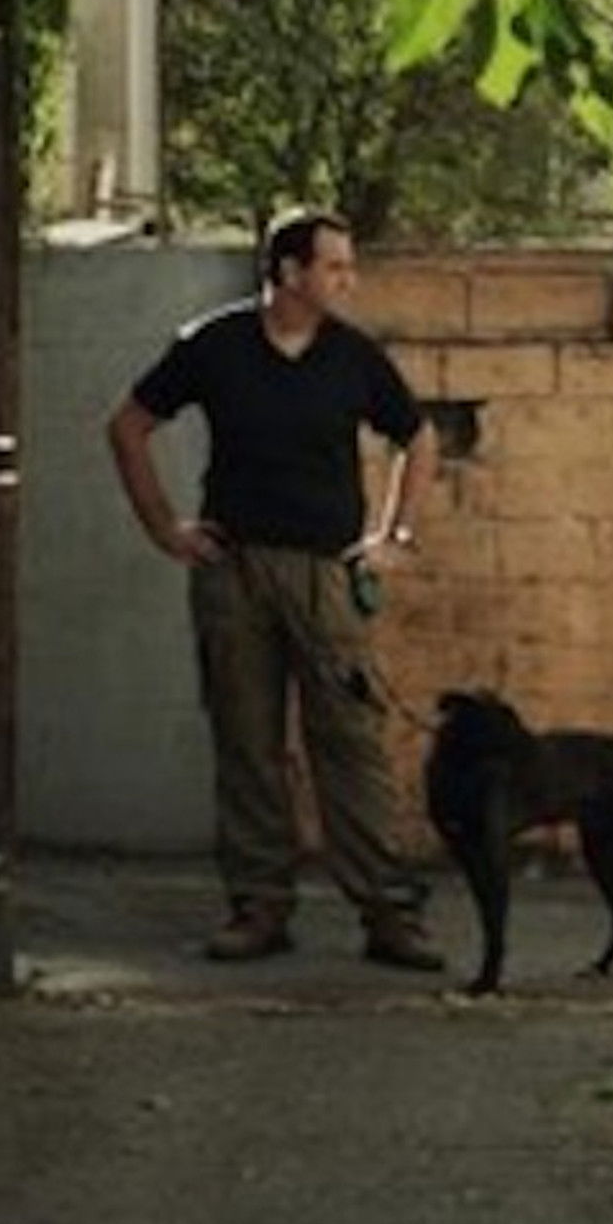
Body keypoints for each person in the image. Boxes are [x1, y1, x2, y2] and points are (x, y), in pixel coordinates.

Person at [107, 207, 444, 971]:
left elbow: (417, 438)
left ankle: (388, 912)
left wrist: (394, 537)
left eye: (349, 266)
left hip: (328, 571)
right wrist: (165, 528)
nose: (348, 281)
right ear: (290, 272)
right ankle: (259, 905)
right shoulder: (214, 345)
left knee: (350, 742)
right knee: (248, 742)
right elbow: (127, 426)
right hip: (235, 569)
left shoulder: (353, 357)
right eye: (335, 267)